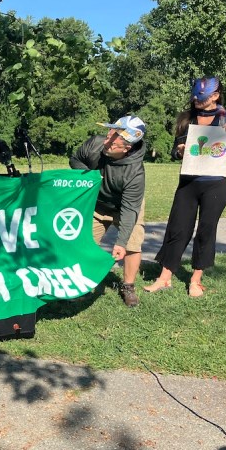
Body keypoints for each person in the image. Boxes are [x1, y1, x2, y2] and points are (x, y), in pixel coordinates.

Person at [145, 77, 226, 297]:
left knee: (206, 231)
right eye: (195, 96)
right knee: (177, 229)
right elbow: (175, 152)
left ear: (215, 96)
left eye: (203, 97)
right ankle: (164, 278)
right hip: (188, 183)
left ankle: (195, 280)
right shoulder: (187, 118)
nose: (197, 100)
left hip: (215, 185)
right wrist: (178, 150)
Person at [69, 115, 147, 308]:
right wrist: (91, 177)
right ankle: (82, 283)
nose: (107, 140)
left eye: (114, 139)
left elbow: (130, 210)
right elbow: (75, 159)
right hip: (97, 203)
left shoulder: (135, 173)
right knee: (84, 243)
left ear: (127, 148)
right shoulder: (96, 144)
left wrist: (120, 242)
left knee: (132, 243)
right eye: (110, 132)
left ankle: (128, 286)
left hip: (125, 207)